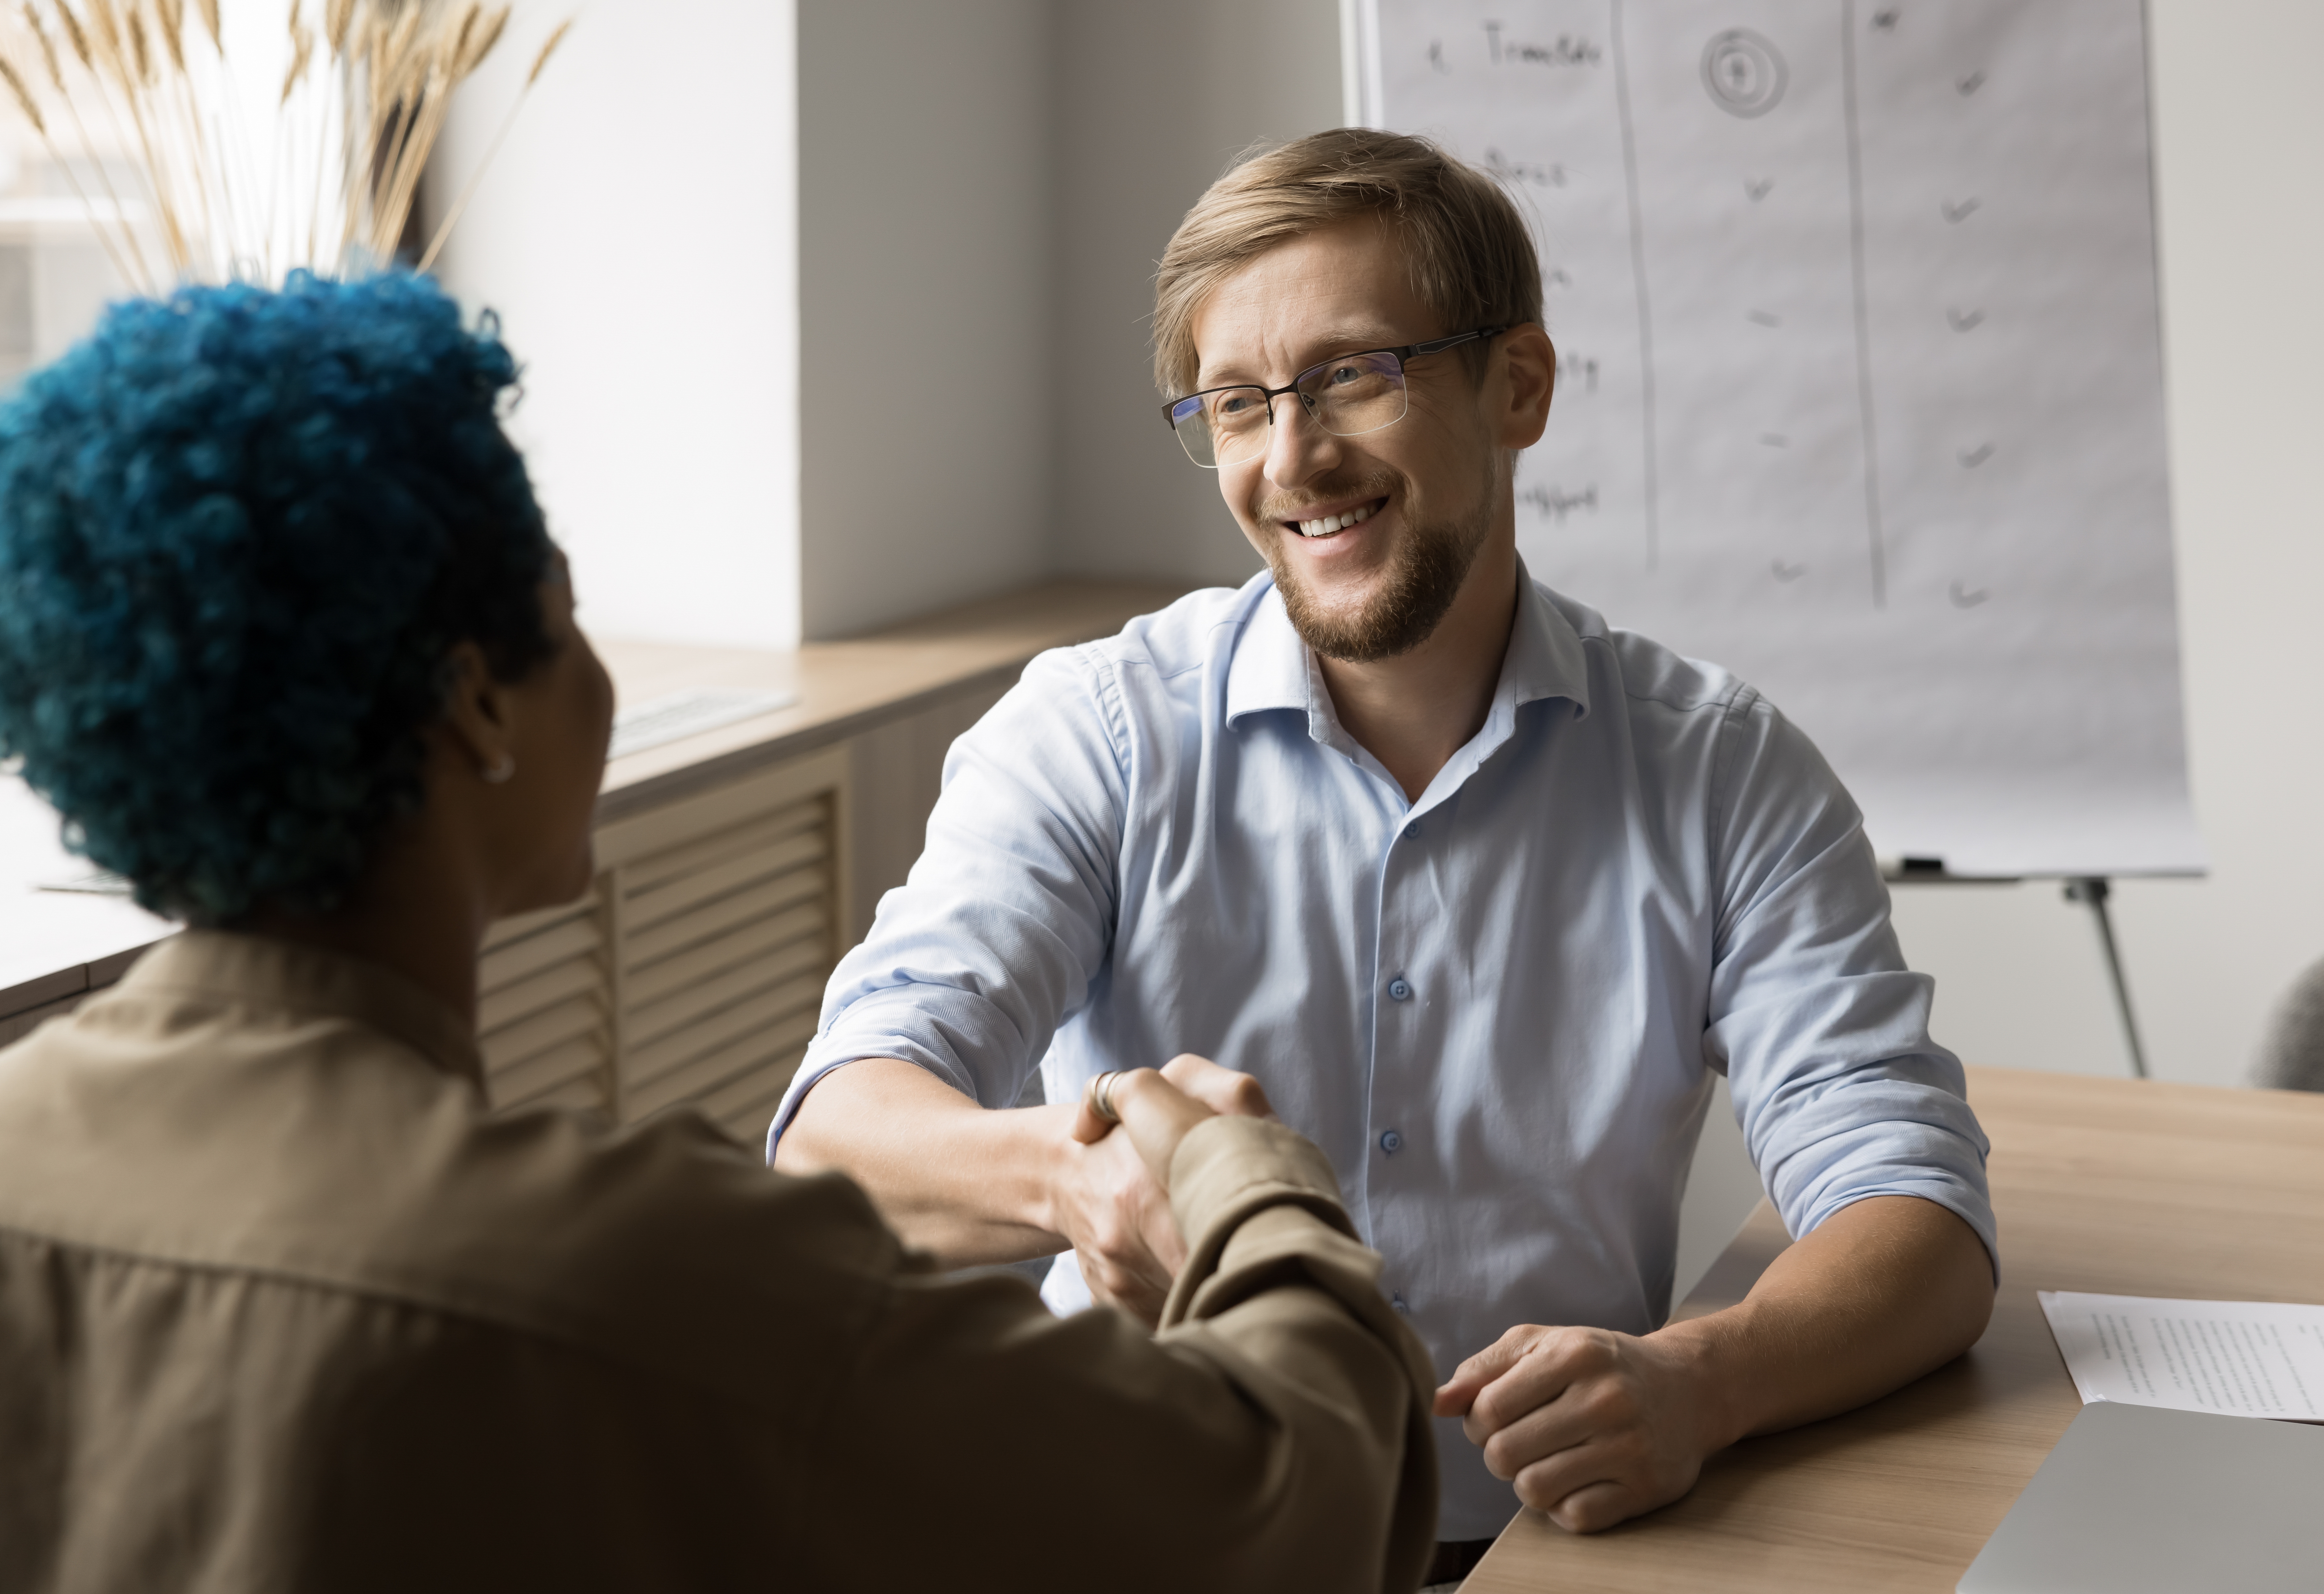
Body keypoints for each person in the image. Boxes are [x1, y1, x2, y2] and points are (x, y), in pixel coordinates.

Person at [0, 272, 1438, 1592]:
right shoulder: (651, 1266)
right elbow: (1294, 1506)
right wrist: (1238, 1170)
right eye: (565, 620)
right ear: (477, 707)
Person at [771, 128, 2001, 1573]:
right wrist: (1069, 1180)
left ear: (1517, 386)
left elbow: (1914, 1212)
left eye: (1355, 373)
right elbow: (834, 1142)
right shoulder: (1095, 734)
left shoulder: (1722, 770)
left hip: (1537, 1549)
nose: (1292, 460)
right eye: (1236, 404)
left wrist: (1705, 1377)